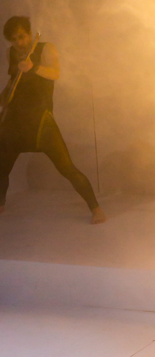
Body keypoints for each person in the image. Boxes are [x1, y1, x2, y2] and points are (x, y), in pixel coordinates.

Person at [0, 16, 105, 223]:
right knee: (2, 166)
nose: (19, 43)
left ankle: (96, 209)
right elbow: (13, 82)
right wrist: (4, 98)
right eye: (14, 39)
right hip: (15, 120)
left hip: (40, 119)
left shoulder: (46, 48)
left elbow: (56, 73)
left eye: (21, 37)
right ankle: (0, 204)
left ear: (30, 34)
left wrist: (34, 68)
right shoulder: (10, 53)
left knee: (67, 168)